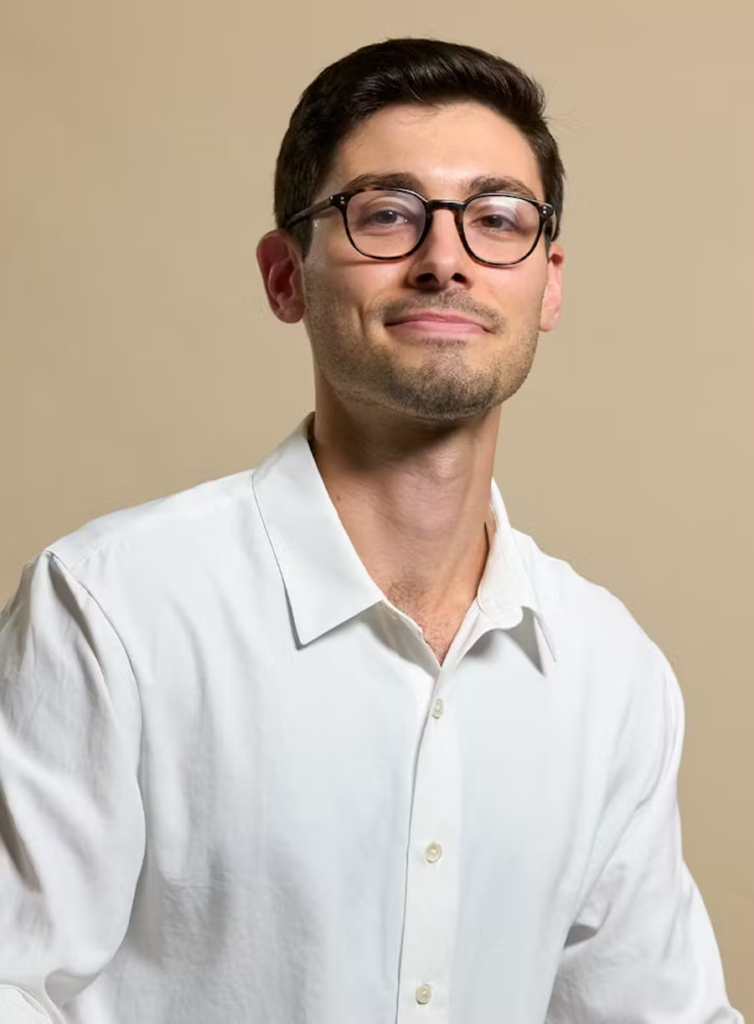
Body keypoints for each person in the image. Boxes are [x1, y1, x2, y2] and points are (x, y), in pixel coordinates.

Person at [0, 36, 743, 1024]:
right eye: (386, 214)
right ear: (283, 276)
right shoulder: (111, 609)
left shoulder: (611, 672)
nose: (446, 260)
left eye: (496, 219)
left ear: (547, 282)